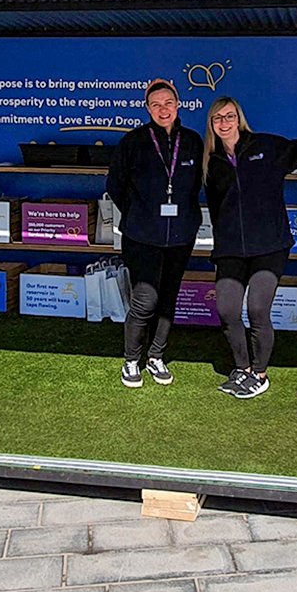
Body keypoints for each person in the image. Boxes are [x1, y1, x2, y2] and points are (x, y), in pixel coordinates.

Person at [202, 82, 297, 399]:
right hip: (231, 250)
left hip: (269, 246)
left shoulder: (267, 148)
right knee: (226, 310)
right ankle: (242, 369)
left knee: (256, 309)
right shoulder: (212, 164)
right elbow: (215, 206)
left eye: (229, 116)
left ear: (239, 119)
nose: (224, 123)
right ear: (211, 125)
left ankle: (259, 374)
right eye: (217, 119)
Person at [104, 79, 203, 389]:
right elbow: (114, 185)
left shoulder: (192, 141)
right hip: (142, 236)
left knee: (168, 298)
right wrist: (140, 213)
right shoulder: (133, 141)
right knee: (145, 299)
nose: (163, 109)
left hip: (180, 236)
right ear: (147, 109)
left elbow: (196, 184)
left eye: (168, 103)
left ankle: (156, 356)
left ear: (178, 105)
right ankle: (131, 360)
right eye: (156, 104)